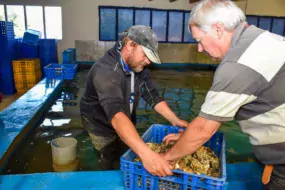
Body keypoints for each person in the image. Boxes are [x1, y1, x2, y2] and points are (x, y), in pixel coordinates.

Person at [159, 0, 285, 189]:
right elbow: (217, 114)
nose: (200, 49)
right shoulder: (262, 38)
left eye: (199, 41)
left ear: (218, 29)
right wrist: (187, 138)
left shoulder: (237, 65)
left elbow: (203, 129)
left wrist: (165, 159)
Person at [80, 25, 188, 176]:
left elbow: (151, 94)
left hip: (124, 117)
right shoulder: (106, 72)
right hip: (100, 123)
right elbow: (117, 117)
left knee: (126, 147)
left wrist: (174, 120)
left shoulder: (137, 66)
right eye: (145, 55)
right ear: (130, 45)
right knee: (108, 153)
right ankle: (107, 173)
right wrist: (147, 155)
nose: (148, 61)